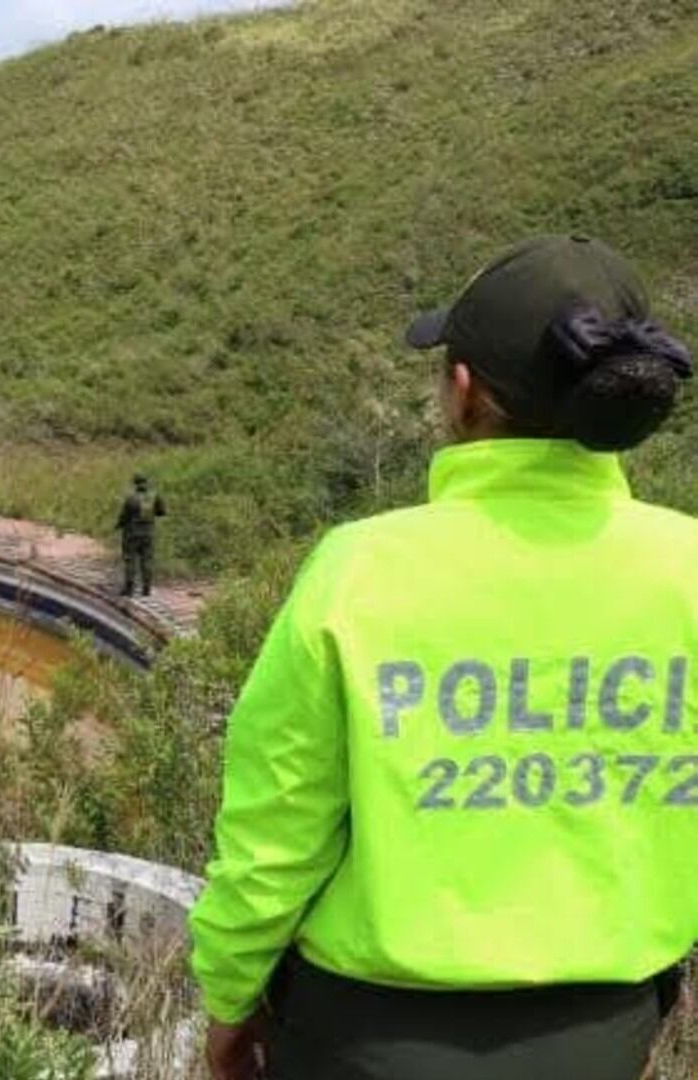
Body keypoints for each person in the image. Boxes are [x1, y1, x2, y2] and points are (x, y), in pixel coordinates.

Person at [191, 236, 696, 1080]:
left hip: (364, 1038)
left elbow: (275, 833)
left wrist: (229, 999)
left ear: (464, 392)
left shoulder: (358, 571)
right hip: (603, 1033)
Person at [115, 474, 165, 597]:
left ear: (135, 484)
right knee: (147, 560)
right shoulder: (155, 496)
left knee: (130, 560)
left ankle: (129, 589)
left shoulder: (131, 498)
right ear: (146, 482)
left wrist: (118, 525)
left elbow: (124, 517)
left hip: (132, 534)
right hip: (148, 533)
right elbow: (162, 512)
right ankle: (146, 589)